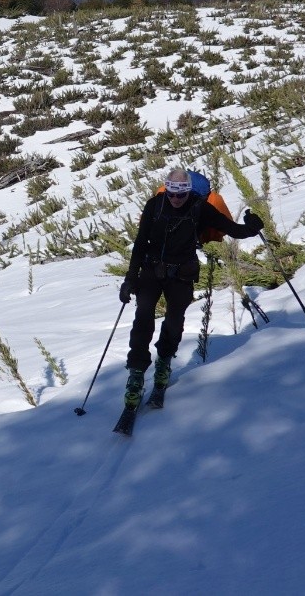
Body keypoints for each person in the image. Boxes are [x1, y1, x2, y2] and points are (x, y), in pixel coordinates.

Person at [116, 168, 263, 420]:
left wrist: (251, 227)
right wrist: (130, 278)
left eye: (181, 194)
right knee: (143, 319)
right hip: (151, 270)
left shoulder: (200, 208)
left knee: (174, 322)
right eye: (172, 193)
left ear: (189, 192)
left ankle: (163, 363)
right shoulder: (155, 205)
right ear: (166, 189)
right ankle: (136, 374)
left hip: (182, 274)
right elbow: (140, 243)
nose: (175, 199)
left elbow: (232, 229)